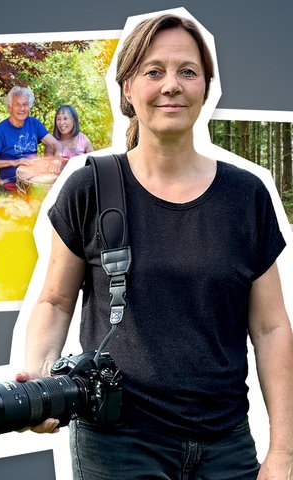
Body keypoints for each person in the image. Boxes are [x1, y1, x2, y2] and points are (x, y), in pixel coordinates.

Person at [16, 13, 293, 479]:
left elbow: (269, 329)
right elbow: (54, 301)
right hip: (118, 446)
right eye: (154, 71)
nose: (172, 85)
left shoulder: (246, 196)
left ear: (206, 86)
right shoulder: (90, 187)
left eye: (187, 71)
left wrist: (282, 451)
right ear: (127, 88)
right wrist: (38, 384)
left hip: (227, 446)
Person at [0, 86, 61, 192]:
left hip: (35, 174)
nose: (22, 109)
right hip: (13, 180)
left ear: (29, 106)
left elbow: (56, 144)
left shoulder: (34, 123)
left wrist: (57, 158)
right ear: (10, 107)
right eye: (17, 105)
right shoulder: (0, 130)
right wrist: (14, 162)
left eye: (25, 104)